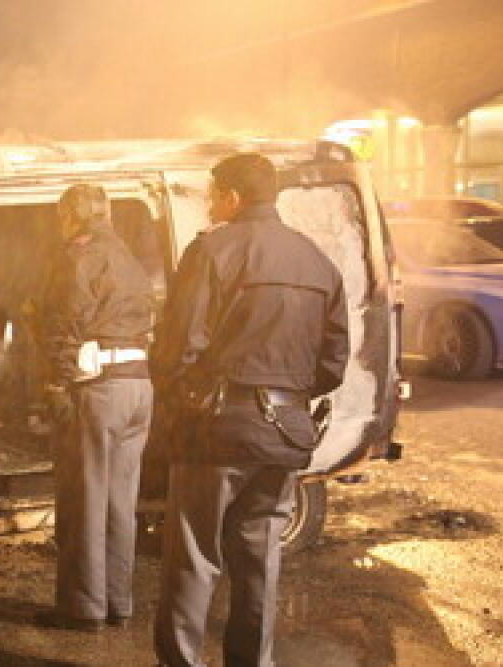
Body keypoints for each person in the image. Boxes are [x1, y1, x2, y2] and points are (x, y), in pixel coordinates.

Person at [151, 153, 349, 667]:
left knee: (195, 555)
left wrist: (177, 402)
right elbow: (333, 363)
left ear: (233, 197)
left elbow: (179, 347)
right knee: (260, 558)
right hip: (286, 434)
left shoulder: (214, 251)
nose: (211, 205)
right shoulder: (316, 260)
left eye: (213, 194)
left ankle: (181, 662)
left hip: (216, 430)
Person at [35, 184, 155, 631]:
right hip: (138, 386)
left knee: (84, 499)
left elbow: (64, 321)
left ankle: (81, 608)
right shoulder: (127, 257)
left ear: (70, 215)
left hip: (98, 388)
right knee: (120, 502)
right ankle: (117, 602)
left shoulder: (79, 256)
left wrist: (57, 382)